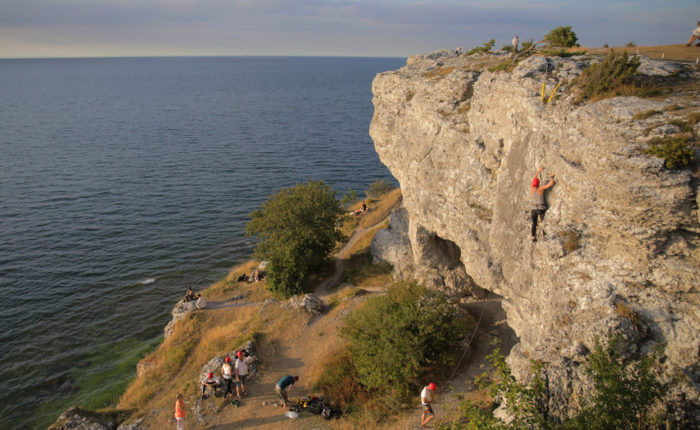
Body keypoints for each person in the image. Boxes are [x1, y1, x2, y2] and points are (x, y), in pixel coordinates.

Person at [529, 167, 555, 241]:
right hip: (541, 208)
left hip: (533, 209)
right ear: (538, 184)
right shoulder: (540, 189)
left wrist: (538, 171)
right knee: (543, 222)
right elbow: (550, 184)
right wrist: (552, 177)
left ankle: (533, 237)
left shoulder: (531, 189)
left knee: (534, 223)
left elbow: (533, 179)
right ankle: (544, 235)